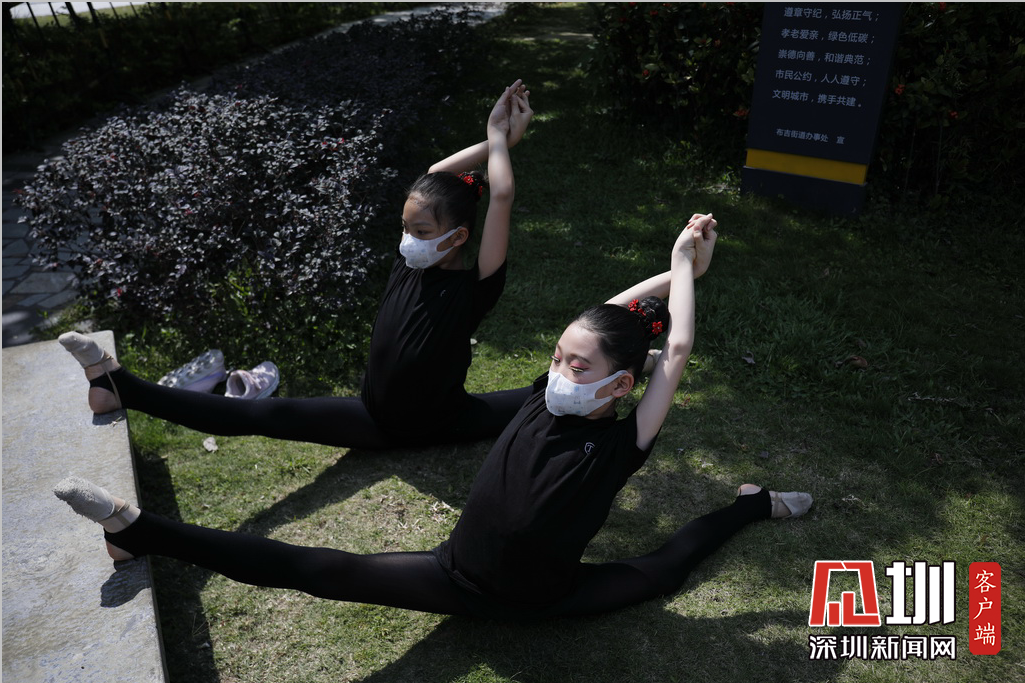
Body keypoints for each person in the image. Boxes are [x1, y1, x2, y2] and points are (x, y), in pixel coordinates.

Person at [55, 215, 815, 620]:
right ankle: (137, 529)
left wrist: (684, 267)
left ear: (622, 385)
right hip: (454, 574)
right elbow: (611, 314)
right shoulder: (538, 399)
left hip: (537, 598)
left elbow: (675, 347)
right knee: (319, 569)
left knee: (663, 570)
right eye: (557, 357)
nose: (559, 372)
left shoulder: (624, 441)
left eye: (577, 367)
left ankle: (749, 505)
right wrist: (667, 275)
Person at [57, 79, 534, 450]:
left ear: (459, 237)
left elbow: (502, 195)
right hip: (370, 413)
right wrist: (495, 142)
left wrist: (498, 139)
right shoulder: (411, 263)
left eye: (421, 231)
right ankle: (118, 386)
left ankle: (577, 378)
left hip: (431, 424)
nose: (408, 239)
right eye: (405, 227)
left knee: (539, 398)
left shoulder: (475, 287)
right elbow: (435, 176)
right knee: (264, 415)